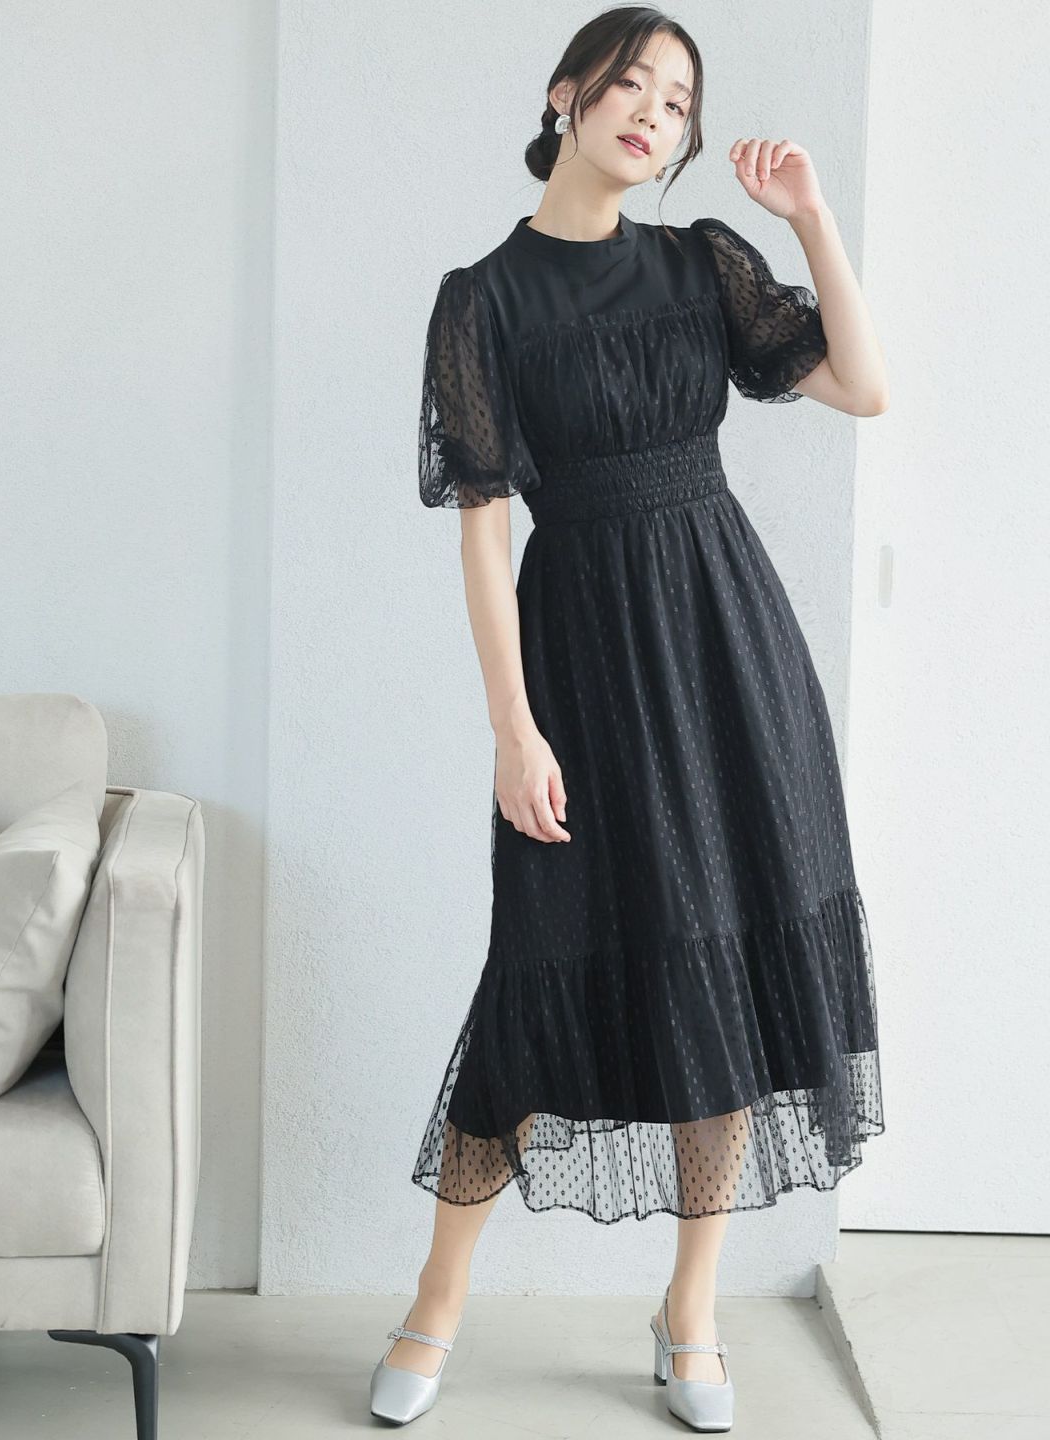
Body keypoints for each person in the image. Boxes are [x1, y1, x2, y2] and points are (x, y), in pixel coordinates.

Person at [371, 7, 888, 1431]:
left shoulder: (702, 262)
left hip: (727, 648)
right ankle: (436, 1298)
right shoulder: (482, 301)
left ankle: (691, 1311)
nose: (657, 110)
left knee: (724, 960)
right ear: (567, 95)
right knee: (536, 976)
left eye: (680, 98)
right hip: (583, 662)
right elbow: (484, 531)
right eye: (634, 82)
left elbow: (864, 385)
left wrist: (810, 217)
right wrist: (512, 728)